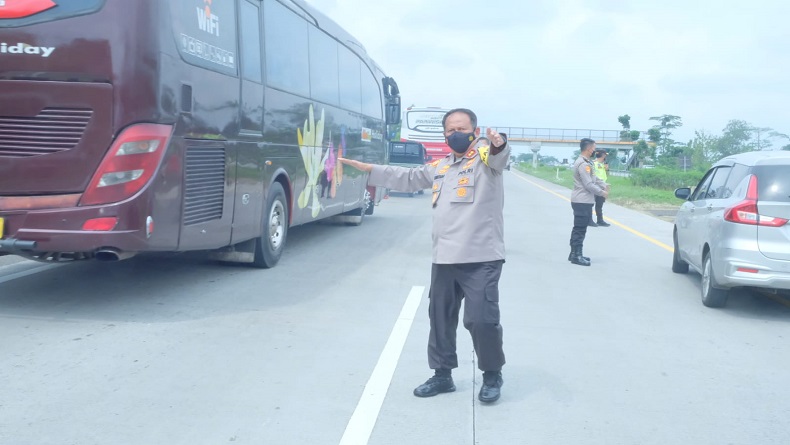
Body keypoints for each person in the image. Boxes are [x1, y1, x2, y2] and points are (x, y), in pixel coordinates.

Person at [338, 108, 510, 403]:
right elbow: (409, 177)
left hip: (480, 257)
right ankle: (442, 375)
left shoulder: (485, 158)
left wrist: (498, 143)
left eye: (461, 128)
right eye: (449, 130)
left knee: (482, 319)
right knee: (440, 319)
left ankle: (492, 374)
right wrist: (369, 170)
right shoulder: (442, 166)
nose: (454, 134)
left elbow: (499, 154)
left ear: (475, 130)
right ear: (444, 135)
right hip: (444, 257)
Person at [569, 138, 608, 266]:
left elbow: (594, 178)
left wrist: (604, 184)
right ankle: (577, 255)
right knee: (580, 228)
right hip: (582, 200)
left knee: (580, 227)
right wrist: (602, 192)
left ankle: (574, 253)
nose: (594, 150)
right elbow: (588, 184)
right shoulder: (584, 164)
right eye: (593, 148)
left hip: (583, 200)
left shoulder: (586, 162)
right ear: (588, 148)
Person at [592, 149, 611, 227]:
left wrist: (607, 169)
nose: (606, 156)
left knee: (599, 205)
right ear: (603, 155)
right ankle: (589, 220)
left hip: (603, 186)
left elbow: (605, 175)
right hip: (595, 186)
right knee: (590, 204)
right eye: (605, 155)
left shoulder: (603, 164)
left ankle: (600, 220)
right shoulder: (593, 164)